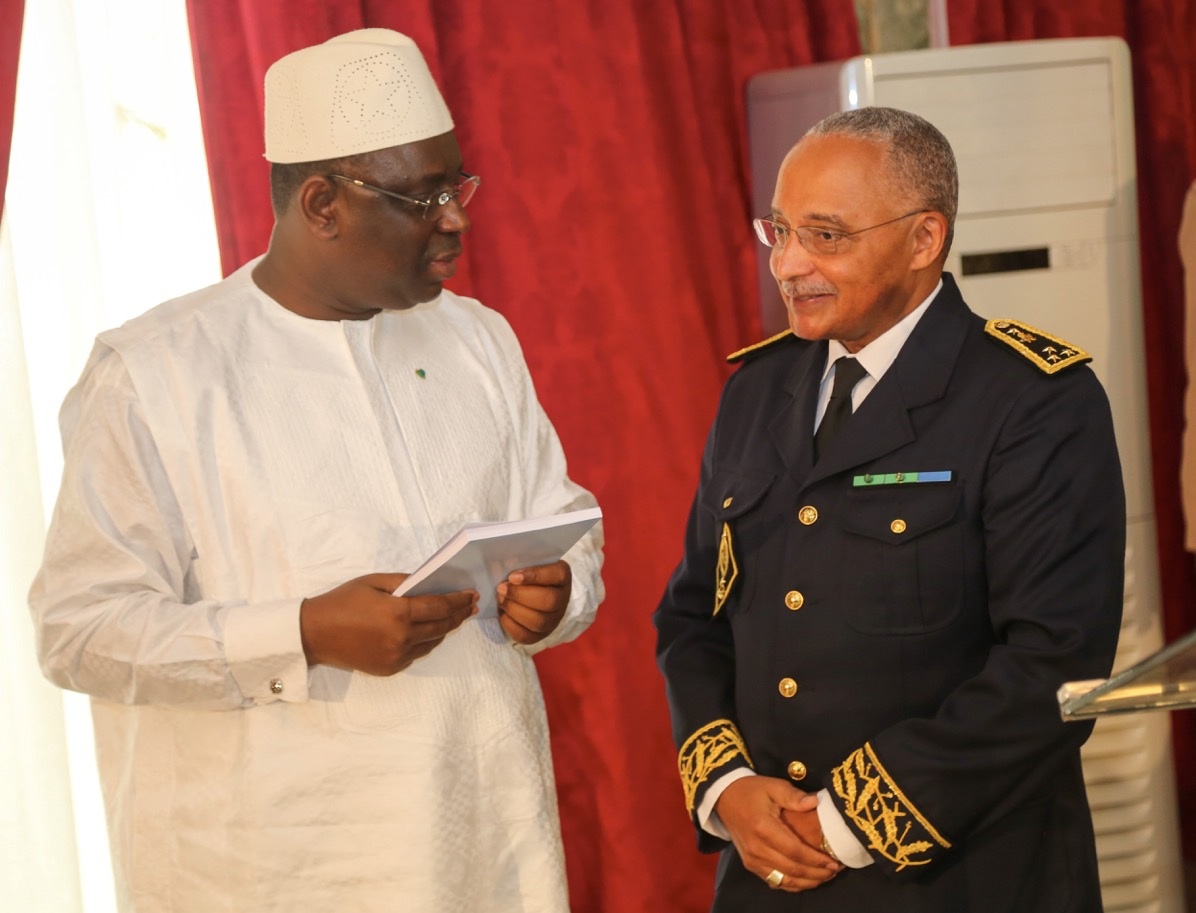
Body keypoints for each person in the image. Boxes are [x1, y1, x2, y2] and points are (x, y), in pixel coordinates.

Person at [29, 28, 604, 913]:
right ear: (323, 203)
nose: (455, 218)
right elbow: (82, 629)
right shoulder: (157, 373)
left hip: (487, 845)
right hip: (273, 866)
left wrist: (561, 594)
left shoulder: (478, 339)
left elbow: (567, 521)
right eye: (420, 198)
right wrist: (301, 632)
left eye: (457, 187)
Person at [654, 106, 1123, 911]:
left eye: (826, 236)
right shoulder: (756, 391)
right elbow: (694, 614)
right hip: (770, 874)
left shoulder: (1033, 401)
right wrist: (728, 787)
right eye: (779, 230)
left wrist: (842, 824)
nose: (789, 263)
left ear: (923, 239)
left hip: (962, 874)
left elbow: (1054, 664)